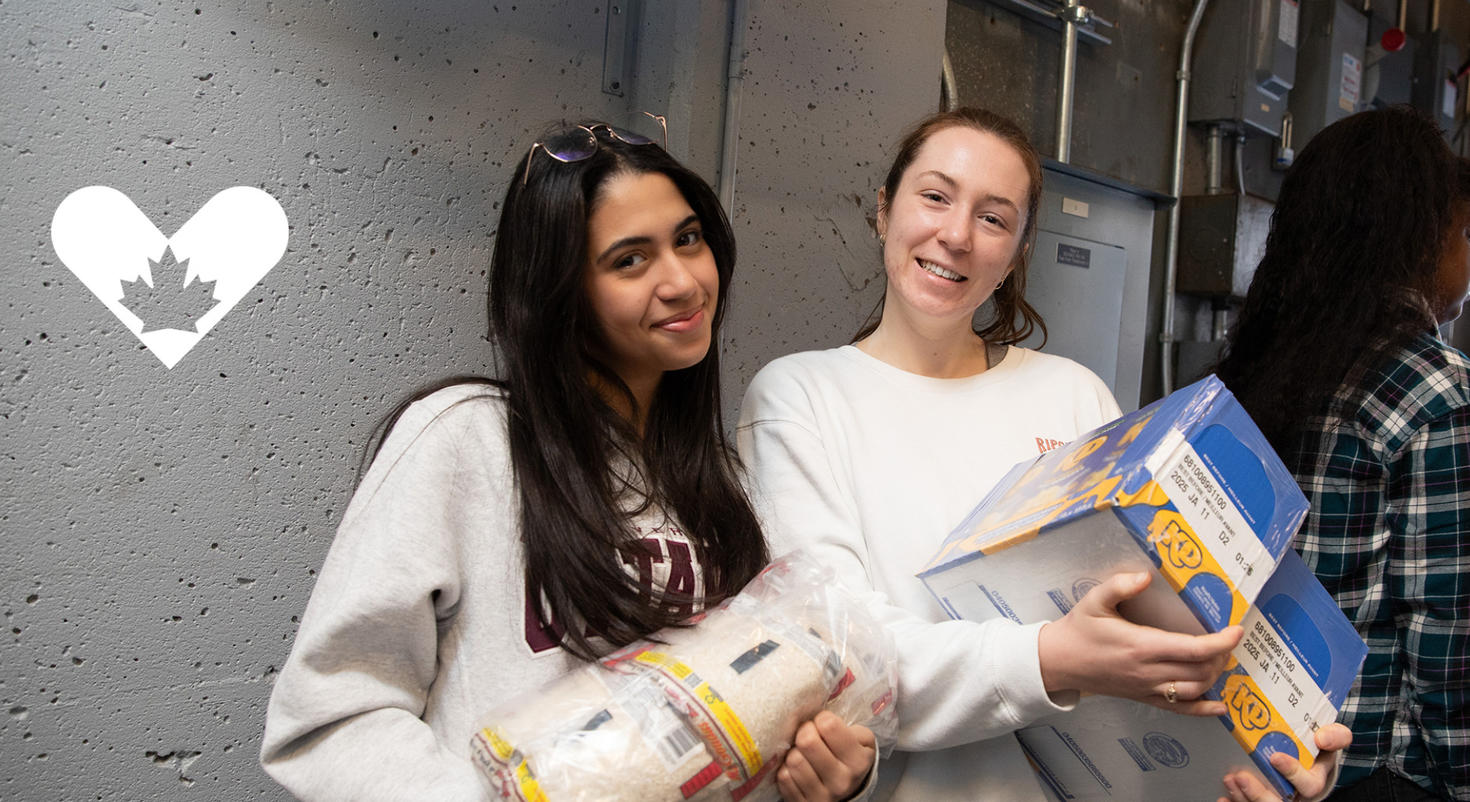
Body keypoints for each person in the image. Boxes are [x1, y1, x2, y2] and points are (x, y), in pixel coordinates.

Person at [736, 106, 1349, 802]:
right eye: (935, 197)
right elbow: (845, 656)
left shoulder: (1073, 395)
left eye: (994, 218)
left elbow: (1185, 609)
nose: (957, 235)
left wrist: (1283, 748)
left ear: (1019, 250)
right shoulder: (801, 396)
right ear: (884, 209)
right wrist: (1053, 658)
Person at [260, 119, 876, 801]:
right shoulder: (470, 441)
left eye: (688, 239)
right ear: (560, 290)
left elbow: (738, 732)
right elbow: (328, 720)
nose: (682, 281)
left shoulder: (725, 484)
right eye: (629, 260)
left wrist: (834, 777)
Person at [1215, 106, 1470, 802]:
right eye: (1465, 233)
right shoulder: (1437, 391)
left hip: (1253, 753)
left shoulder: (1260, 365)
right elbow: (1450, 641)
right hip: (1378, 772)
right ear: (1424, 240)